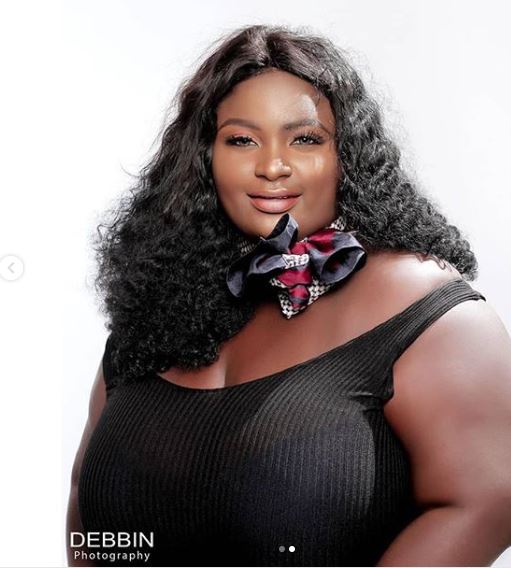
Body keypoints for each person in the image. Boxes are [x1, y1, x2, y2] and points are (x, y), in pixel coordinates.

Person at [66, 24, 511, 567]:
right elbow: (86, 501)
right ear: (205, 158)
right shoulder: (154, 312)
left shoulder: (425, 309)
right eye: (241, 140)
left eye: (305, 139)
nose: (272, 166)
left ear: (348, 155)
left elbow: (487, 500)